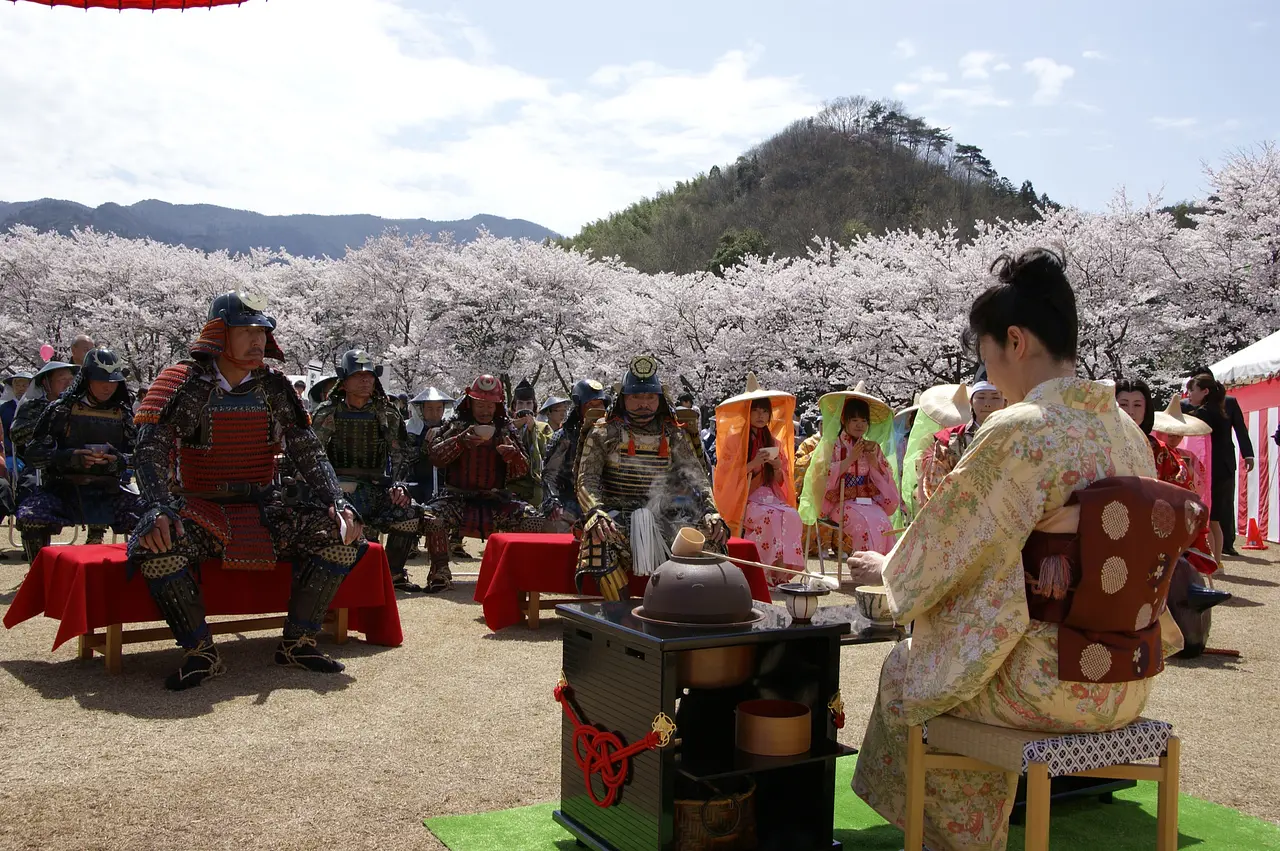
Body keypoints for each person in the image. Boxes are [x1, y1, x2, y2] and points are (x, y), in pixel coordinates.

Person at [849, 248, 1197, 851]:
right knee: (960, 653)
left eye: (988, 359)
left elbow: (949, 548)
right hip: (1126, 678)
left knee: (909, 669)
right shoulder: (1127, 433)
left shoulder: (1021, 429)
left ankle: (958, 842)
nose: (991, 379)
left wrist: (890, 570)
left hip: (1047, 683)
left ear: (1015, 340)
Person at [128, 291, 364, 690]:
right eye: (247, 331)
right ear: (220, 333)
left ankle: (298, 641)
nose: (258, 341)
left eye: (262, 332)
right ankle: (200, 651)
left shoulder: (274, 387)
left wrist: (336, 501)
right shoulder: (182, 384)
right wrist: (157, 507)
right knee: (158, 546)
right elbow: (150, 449)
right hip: (201, 508)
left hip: (263, 507)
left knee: (342, 536)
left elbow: (308, 449)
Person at [575, 356, 727, 600]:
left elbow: (697, 476)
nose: (643, 403)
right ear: (623, 399)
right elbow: (586, 479)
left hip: (668, 512)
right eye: (636, 397)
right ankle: (620, 615)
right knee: (599, 539)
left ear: (659, 399)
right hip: (616, 511)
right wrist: (595, 512)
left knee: (711, 536)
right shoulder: (604, 431)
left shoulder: (675, 433)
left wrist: (711, 511)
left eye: (649, 397)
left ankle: (694, 608)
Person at [310, 349, 424, 593]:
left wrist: (399, 484)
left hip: (375, 487)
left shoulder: (386, 413)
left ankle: (392, 573)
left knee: (410, 514)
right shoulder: (328, 413)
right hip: (338, 490)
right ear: (345, 380)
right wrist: (330, 492)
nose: (365, 381)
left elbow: (400, 453)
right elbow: (314, 455)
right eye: (358, 375)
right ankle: (349, 578)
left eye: (370, 376)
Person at [14, 349, 144, 561]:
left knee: (154, 518)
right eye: (101, 380)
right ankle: (41, 577)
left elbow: (141, 456)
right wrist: (69, 457)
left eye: (112, 381)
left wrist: (117, 461)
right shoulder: (60, 410)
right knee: (31, 516)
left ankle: (132, 582)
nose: (107, 386)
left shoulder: (123, 414)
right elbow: (34, 452)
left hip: (109, 492)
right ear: (87, 378)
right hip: (63, 490)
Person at [420, 375, 545, 593]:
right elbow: (435, 457)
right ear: (470, 403)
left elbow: (523, 470)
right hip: (456, 499)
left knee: (532, 518)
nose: (485, 410)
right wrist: (459, 442)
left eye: (490, 405)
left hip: (496, 500)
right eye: (480, 404)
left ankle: (514, 573)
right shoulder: (456, 425)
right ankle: (440, 571)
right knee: (432, 516)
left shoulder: (506, 429)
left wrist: (513, 456)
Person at [1116, 378, 1217, 575]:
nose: (1130, 411)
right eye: (1123, 405)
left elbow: (1182, 491)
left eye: (1137, 404)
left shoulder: (1160, 451)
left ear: (1146, 410)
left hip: (1151, 529)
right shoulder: (1099, 446)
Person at [712, 376, 803, 586]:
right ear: (747, 412)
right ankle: (759, 571)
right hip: (744, 498)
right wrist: (753, 464)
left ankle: (779, 573)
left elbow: (780, 480)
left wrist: (777, 467)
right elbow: (725, 476)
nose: (761, 416)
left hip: (769, 495)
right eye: (756, 411)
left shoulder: (774, 442)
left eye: (765, 412)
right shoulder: (734, 441)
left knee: (792, 516)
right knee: (769, 518)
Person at [798, 385, 900, 557]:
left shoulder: (872, 447)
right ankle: (867, 569)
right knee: (864, 525)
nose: (860, 425)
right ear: (844, 420)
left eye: (863, 421)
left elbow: (885, 477)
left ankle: (881, 570)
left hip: (868, 502)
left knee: (884, 523)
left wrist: (874, 462)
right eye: (854, 420)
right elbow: (820, 476)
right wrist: (849, 459)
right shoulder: (832, 445)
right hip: (839, 503)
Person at [1184, 370, 1255, 557]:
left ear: (1205, 390)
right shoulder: (1211, 407)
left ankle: (1219, 552)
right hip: (1216, 465)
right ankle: (1217, 556)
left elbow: (1240, 429)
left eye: (1192, 389)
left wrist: (1248, 454)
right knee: (1216, 514)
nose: (1189, 394)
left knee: (1216, 512)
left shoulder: (1208, 410)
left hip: (1214, 464)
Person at [917, 381, 1005, 507]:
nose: (987, 404)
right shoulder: (951, 437)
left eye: (995, 397)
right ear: (971, 402)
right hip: (963, 506)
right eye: (981, 397)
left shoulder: (1017, 434)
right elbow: (938, 483)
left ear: (1005, 402)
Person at [541, 378, 610, 528]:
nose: (597, 409)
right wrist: (553, 501)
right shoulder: (564, 436)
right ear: (579, 407)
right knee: (557, 523)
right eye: (590, 405)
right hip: (570, 502)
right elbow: (550, 475)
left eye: (600, 404)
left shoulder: (613, 435)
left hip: (607, 503)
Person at [9, 361, 79, 463]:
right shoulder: (34, 406)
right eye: (62, 379)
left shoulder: (79, 406)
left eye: (71, 379)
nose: (68, 384)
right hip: (41, 466)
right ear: (46, 383)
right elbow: (16, 435)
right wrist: (50, 420)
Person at [508, 378, 552, 508]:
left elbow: (547, 452)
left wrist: (533, 430)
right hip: (510, 486)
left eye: (528, 404)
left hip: (534, 487)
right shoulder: (506, 427)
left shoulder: (544, 427)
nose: (524, 408)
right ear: (514, 406)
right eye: (520, 404)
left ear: (534, 406)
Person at [405, 387, 453, 503]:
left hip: (445, 483)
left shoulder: (450, 429)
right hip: (418, 482)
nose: (435, 413)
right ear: (421, 410)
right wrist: (425, 446)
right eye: (430, 409)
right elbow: (406, 455)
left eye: (439, 409)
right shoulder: (411, 429)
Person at [2, 373, 32, 464]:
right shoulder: (4, 408)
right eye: (17, 385)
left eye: (24, 385)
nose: (20, 388)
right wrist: (10, 452)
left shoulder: (37, 406)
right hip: (11, 453)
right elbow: (3, 433)